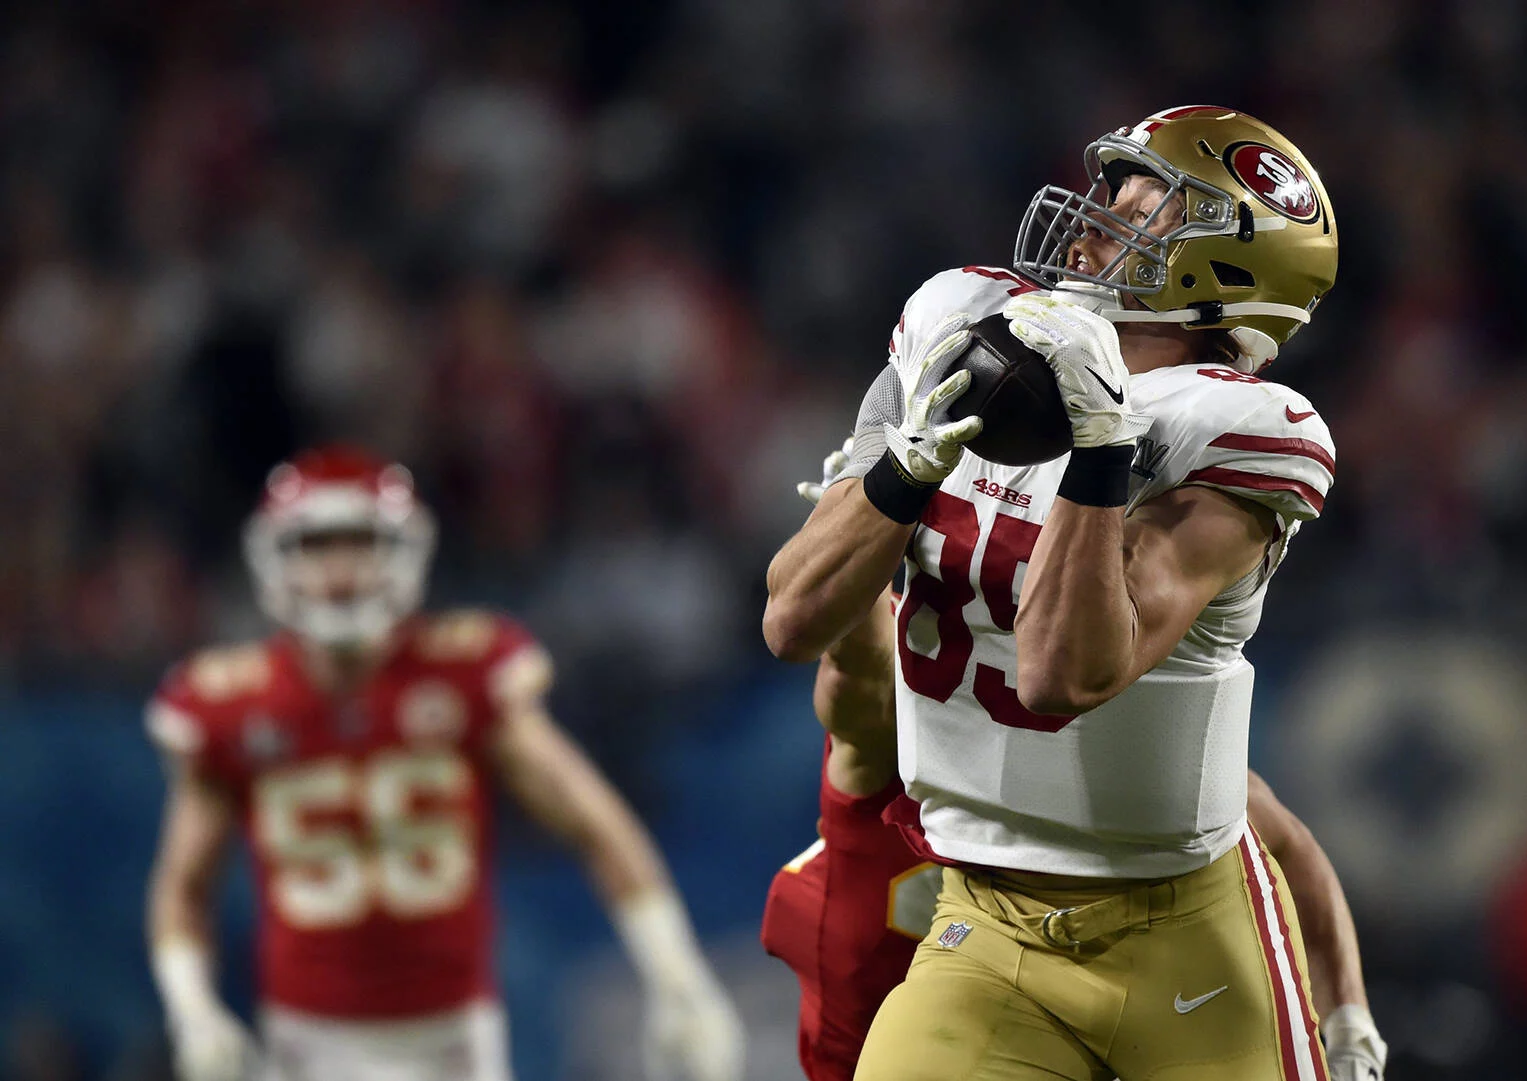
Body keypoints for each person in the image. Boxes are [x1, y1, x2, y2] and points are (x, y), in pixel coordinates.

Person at [765, 106, 1341, 1080]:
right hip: (981, 922)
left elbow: (1061, 676)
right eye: (1111, 191)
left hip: (1181, 936)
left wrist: (1101, 447)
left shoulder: (1234, 426)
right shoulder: (965, 329)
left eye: (1147, 206)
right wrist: (905, 467)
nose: (1096, 217)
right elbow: (792, 619)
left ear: (1231, 269)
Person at [763, 449, 1386, 1081]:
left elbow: (1281, 841)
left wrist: (1350, 1021)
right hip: (955, 987)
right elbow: (852, 670)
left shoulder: (1080, 709)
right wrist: (866, 516)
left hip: (1132, 973)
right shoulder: (898, 730)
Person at [145, 446, 745, 1081]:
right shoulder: (230, 704)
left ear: (405, 551)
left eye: (362, 543)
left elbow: (597, 825)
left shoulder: (463, 673)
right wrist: (191, 1009)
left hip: (455, 1041)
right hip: (304, 1043)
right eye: (319, 546)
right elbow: (184, 885)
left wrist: (678, 975)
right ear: (276, 558)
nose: (341, 571)